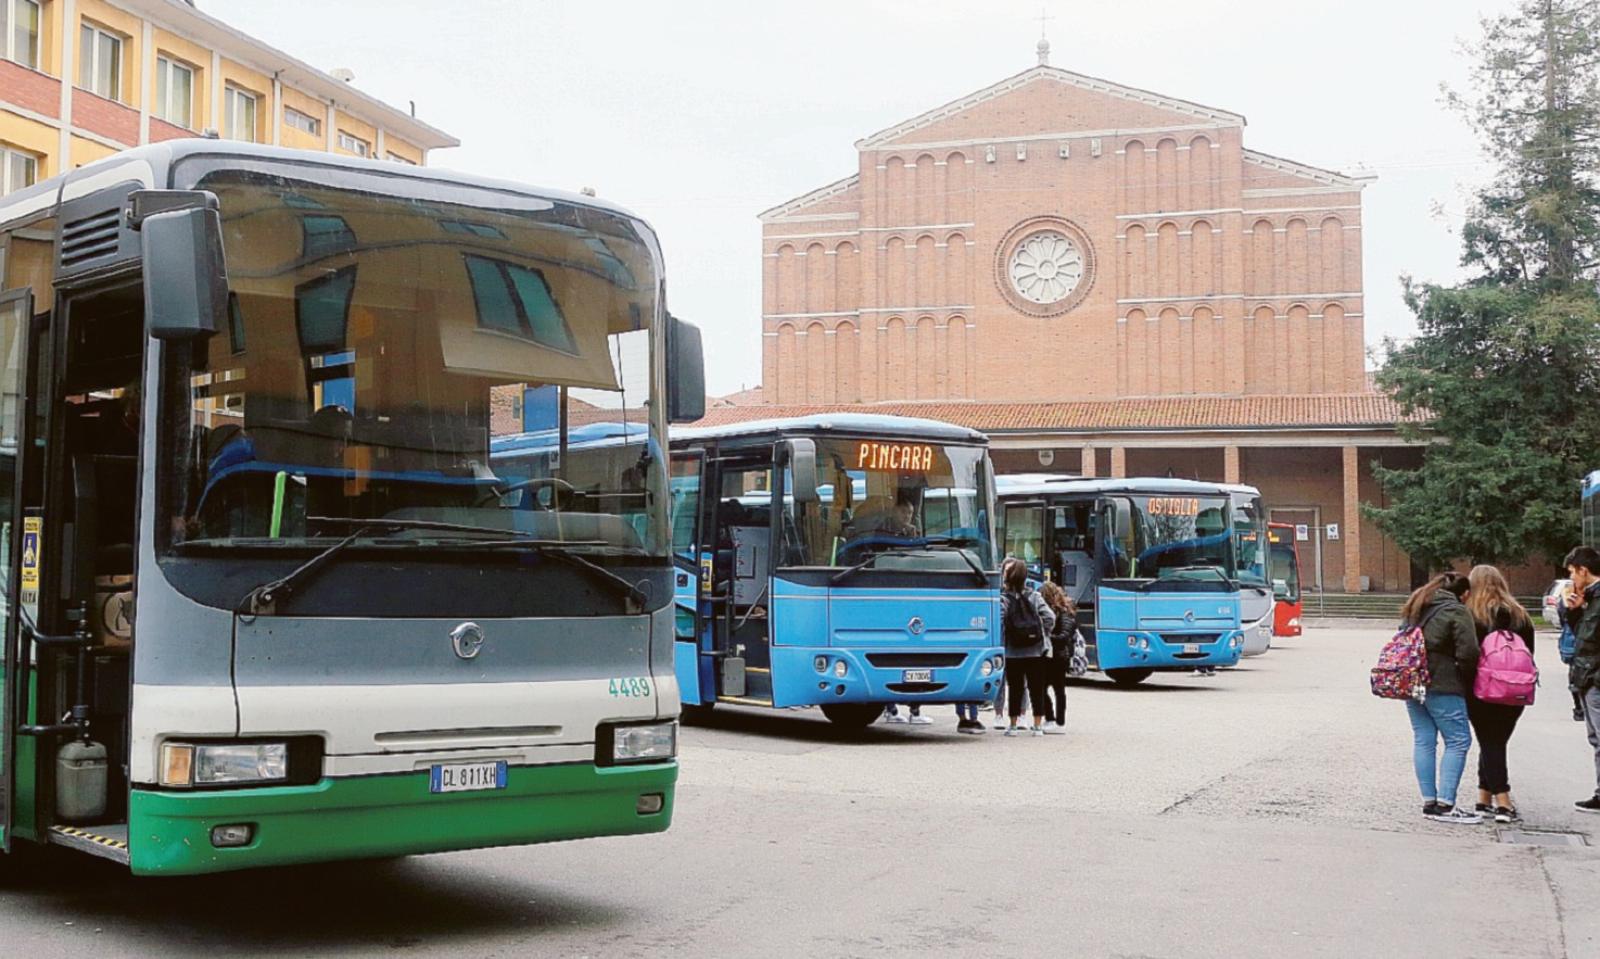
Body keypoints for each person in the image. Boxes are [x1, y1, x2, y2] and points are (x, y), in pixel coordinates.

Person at [1398, 571, 1482, 824]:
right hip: (1443, 683)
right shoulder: (1456, 611)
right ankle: (1446, 804)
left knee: (1424, 739)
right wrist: (1466, 678)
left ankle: (1429, 801)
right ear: (1464, 593)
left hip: (1412, 682)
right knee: (1458, 740)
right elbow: (1469, 651)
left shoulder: (1416, 605)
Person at [1463, 565, 1535, 824]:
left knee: (1490, 741)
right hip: (1516, 689)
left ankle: (1502, 801)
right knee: (1495, 741)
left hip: (1480, 691)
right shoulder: (1521, 615)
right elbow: (1530, 654)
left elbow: (1467, 655)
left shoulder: (1472, 616)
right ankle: (1484, 797)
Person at [1563, 546, 1600, 814]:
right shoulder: (1590, 598)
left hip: (1595, 676)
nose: (1571, 579)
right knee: (1595, 737)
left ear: (1584, 571)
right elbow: (1583, 635)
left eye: (1572, 573)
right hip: (1587, 676)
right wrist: (1574, 611)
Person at [1000, 557, 1054, 737]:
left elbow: (999, 621)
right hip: (1035, 650)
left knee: (1015, 688)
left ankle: (1013, 725)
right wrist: (1041, 633)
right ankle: (1038, 726)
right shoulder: (1035, 596)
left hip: (1013, 651)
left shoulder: (1004, 599)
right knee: (1036, 688)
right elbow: (1050, 617)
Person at [1039, 581, 1075, 735]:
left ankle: (1057, 720)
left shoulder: (1064, 612)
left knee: (1055, 689)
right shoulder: (1065, 610)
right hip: (1052, 656)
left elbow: (1065, 636)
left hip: (1058, 656)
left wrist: (1046, 638)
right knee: (1050, 689)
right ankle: (1053, 719)